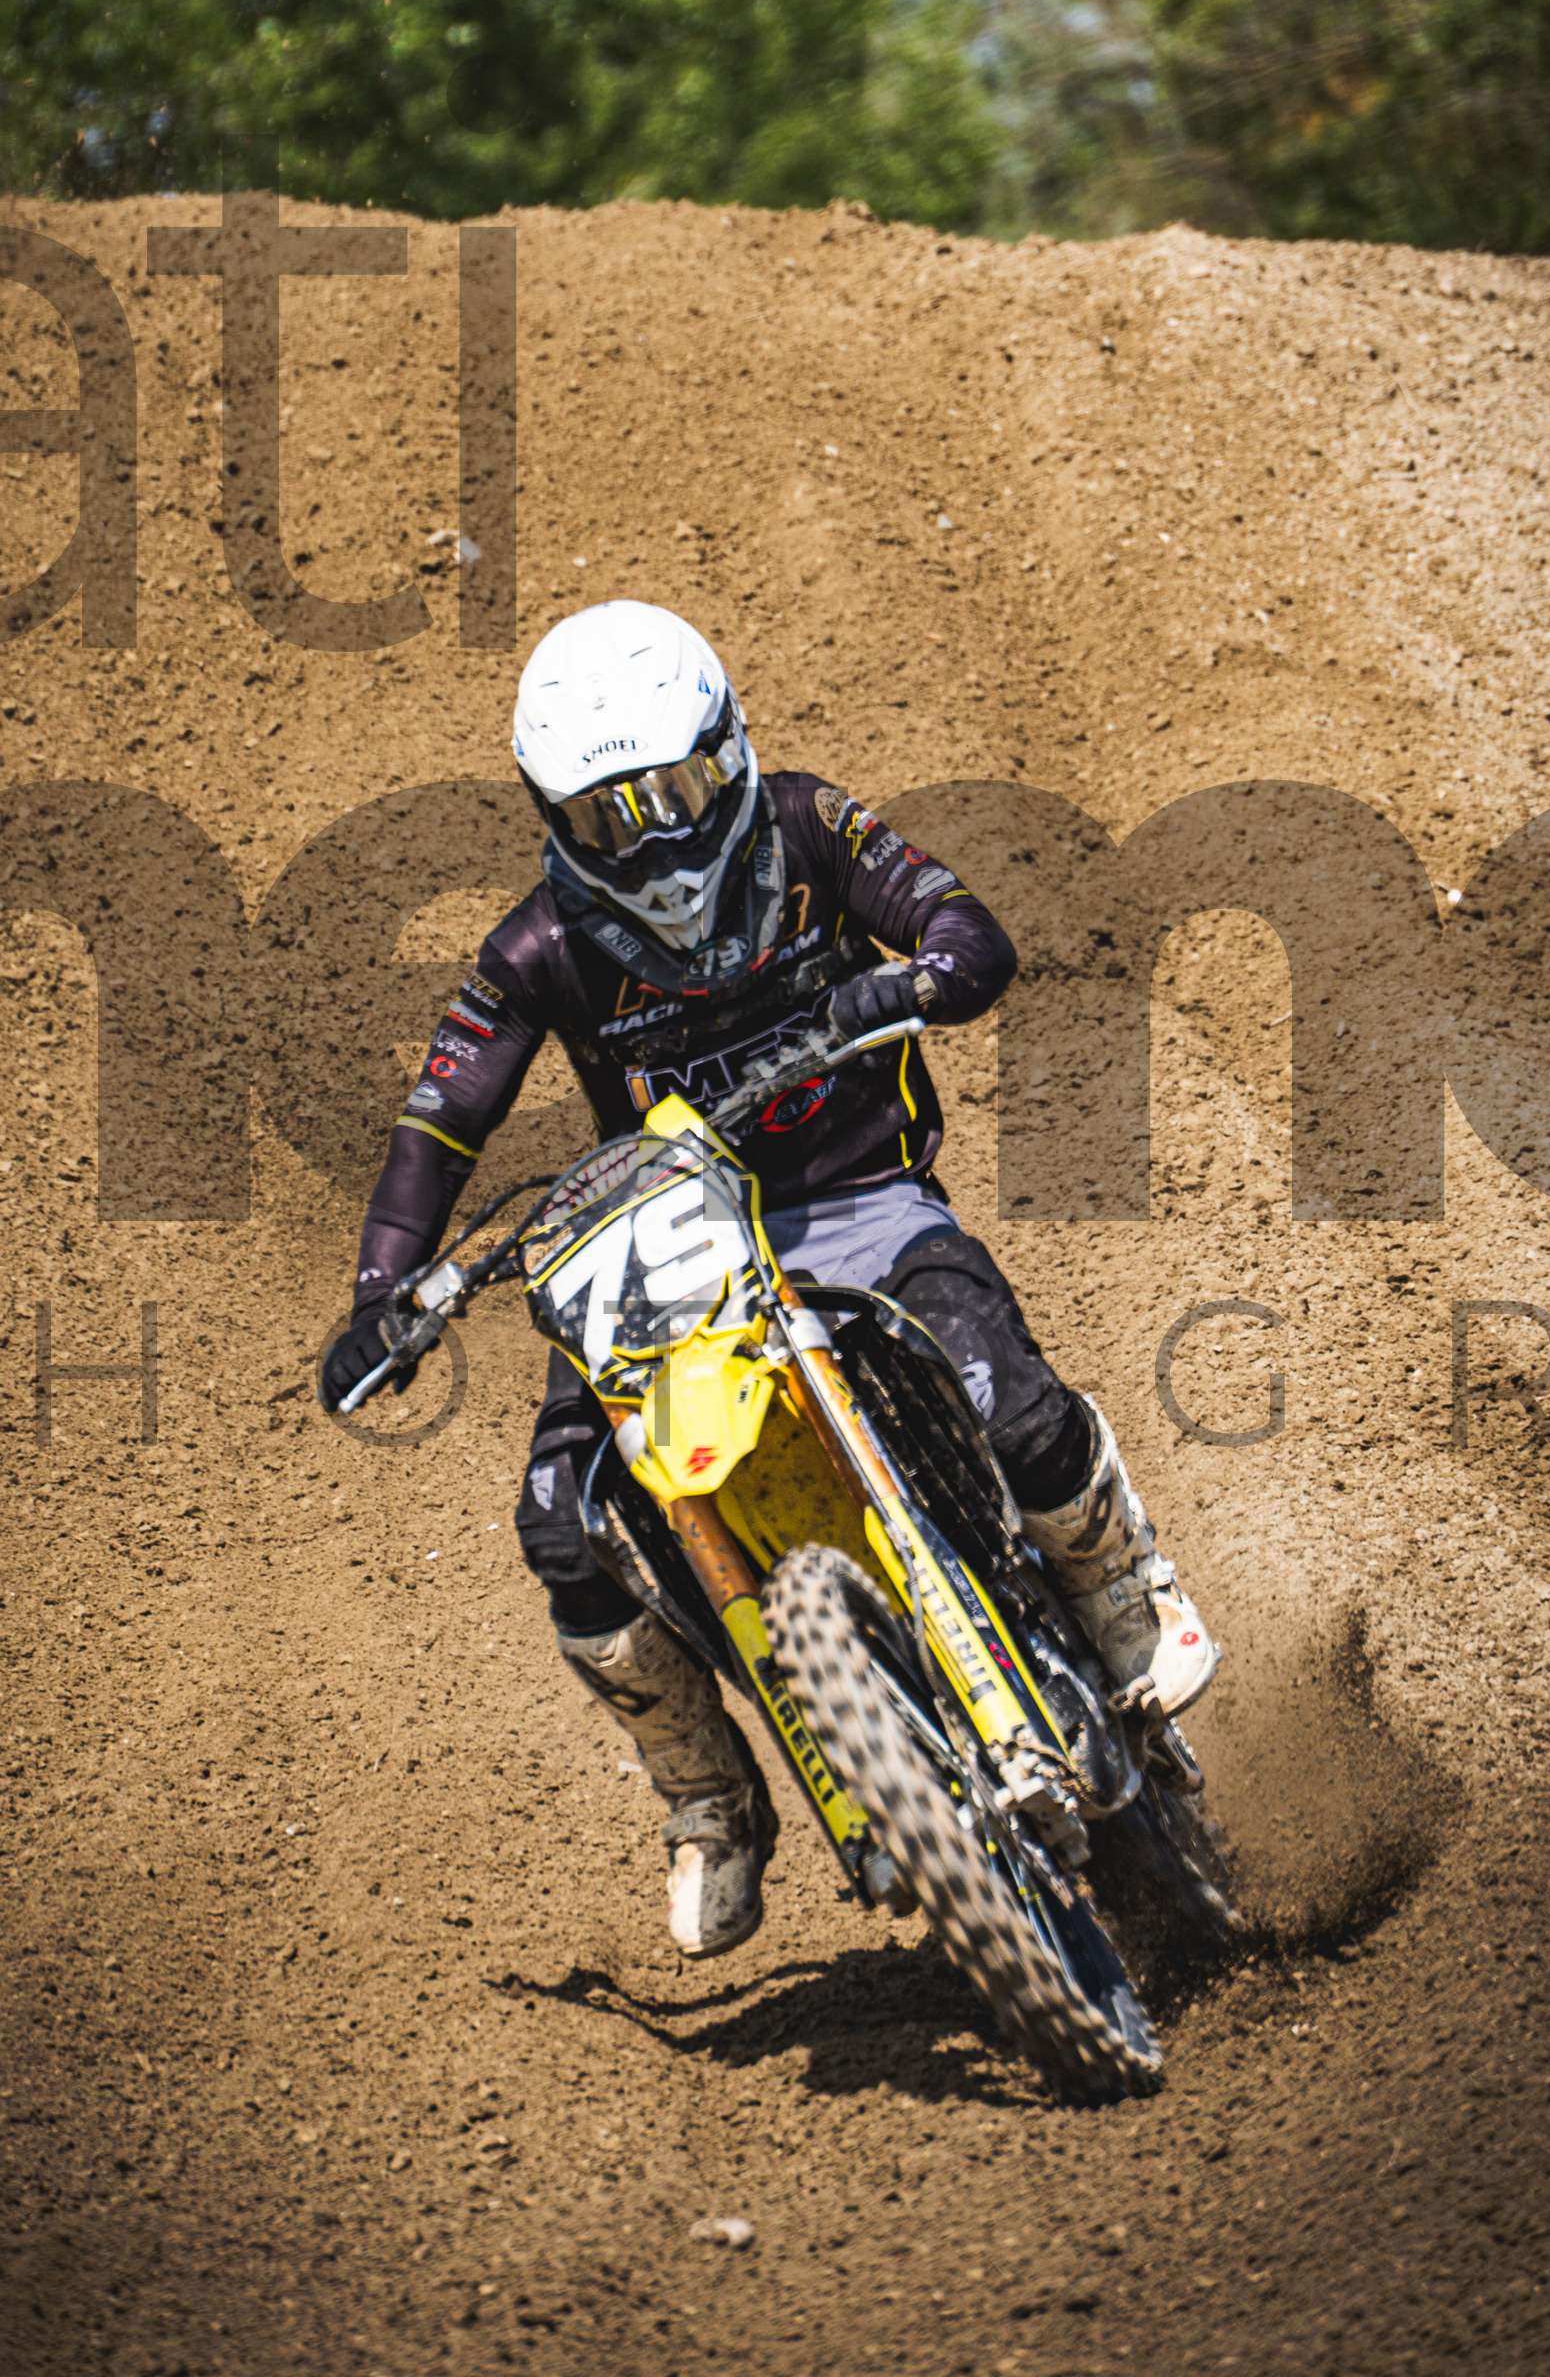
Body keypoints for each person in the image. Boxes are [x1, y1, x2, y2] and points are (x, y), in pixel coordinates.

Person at [320, 601, 1217, 1957]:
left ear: (729, 751)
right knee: (561, 1524)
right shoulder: (538, 947)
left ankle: (1123, 1593)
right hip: (665, 1243)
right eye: (611, 816)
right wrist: (384, 1290)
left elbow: (964, 928)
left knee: (1011, 1403)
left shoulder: (807, 827)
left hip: (859, 1199)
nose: (657, 841)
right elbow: (441, 1120)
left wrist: (915, 978)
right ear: (554, 819)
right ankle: (708, 1800)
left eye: (678, 793)